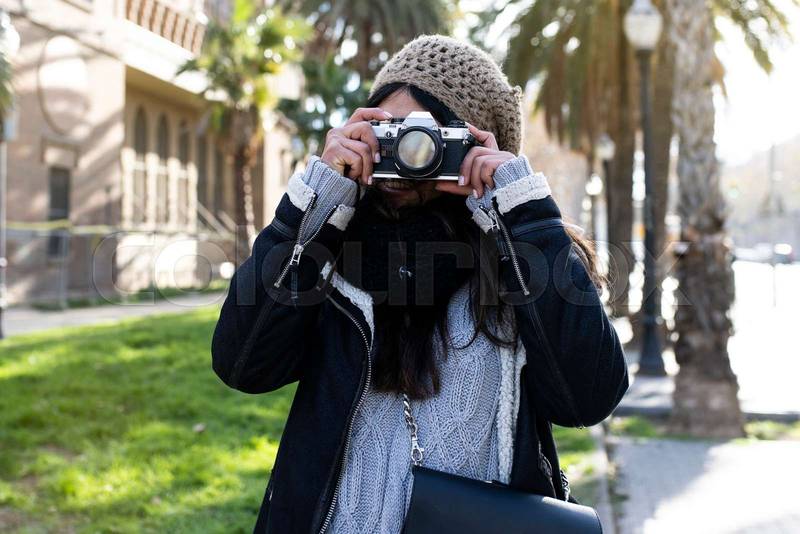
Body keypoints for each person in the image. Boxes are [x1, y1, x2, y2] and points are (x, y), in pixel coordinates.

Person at [211, 35, 628, 534]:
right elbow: (242, 365)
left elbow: (588, 399)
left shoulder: (520, 261)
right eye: (388, 132)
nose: (409, 154)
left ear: (478, 145)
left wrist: (523, 213)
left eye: (429, 138)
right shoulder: (329, 249)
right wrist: (317, 200)